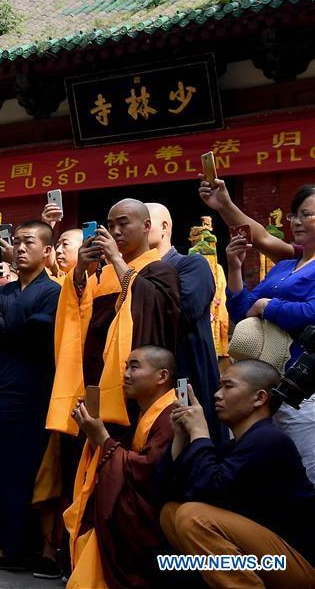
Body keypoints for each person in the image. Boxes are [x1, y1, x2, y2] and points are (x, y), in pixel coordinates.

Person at [159, 360, 315, 588]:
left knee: (193, 516)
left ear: (259, 398)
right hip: (269, 559)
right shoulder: (236, 446)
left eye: (228, 386)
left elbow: (210, 489)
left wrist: (200, 432)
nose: (217, 395)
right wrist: (181, 437)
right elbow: (166, 490)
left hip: (298, 565)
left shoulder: (269, 440)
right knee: (170, 513)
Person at [0, 221, 61, 571]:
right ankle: (2, 546)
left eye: (29, 243)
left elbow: (33, 336)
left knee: (28, 473)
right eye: (17, 243)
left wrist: (0, 328)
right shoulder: (2, 292)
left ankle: (29, 548)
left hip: (33, 391)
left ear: (47, 251)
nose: (21, 249)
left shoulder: (52, 292)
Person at [47, 199, 181, 433]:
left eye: (123, 223)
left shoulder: (161, 270)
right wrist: (80, 271)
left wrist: (116, 259)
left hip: (130, 382)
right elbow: (79, 311)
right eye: (110, 225)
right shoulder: (102, 274)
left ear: (146, 225)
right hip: (94, 376)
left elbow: (155, 312)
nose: (116, 231)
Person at [223, 185, 315, 482]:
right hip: (265, 383)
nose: (297, 222)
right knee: (261, 471)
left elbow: (310, 313)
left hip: (302, 385)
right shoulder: (285, 267)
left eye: (306, 214)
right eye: (294, 215)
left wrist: (268, 306)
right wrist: (235, 270)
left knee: (306, 467)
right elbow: (242, 310)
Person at [68, 346, 177, 588]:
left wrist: (101, 437)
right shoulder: (150, 412)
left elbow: (147, 471)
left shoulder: (171, 416)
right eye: (126, 366)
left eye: (135, 367)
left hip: (155, 516)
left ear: (162, 376)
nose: (126, 374)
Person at [147, 202, 222, 443]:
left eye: (144, 223)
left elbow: (184, 311)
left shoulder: (191, 265)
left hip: (185, 374)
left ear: (164, 227)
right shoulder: (124, 273)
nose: (122, 231)